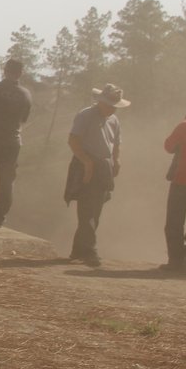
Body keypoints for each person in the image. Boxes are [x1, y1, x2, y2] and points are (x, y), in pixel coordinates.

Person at [65, 84, 127, 266]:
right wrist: (87, 162)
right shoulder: (85, 115)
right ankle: (89, 251)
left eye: (114, 106)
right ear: (100, 101)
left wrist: (116, 160)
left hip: (104, 166)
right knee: (87, 210)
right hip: (86, 164)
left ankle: (79, 250)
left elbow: (116, 143)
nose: (113, 109)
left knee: (95, 210)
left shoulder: (114, 119)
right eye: (110, 105)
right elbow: (73, 140)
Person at [0, 58, 32, 228]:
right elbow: (24, 119)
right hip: (12, 141)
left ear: (4, 70)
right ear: (20, 73)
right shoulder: (25, 94)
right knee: (7, 182)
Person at [162, 105, 186, 271]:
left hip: (180, 182)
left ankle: (175, 262)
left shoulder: (185, 125)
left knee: (174, 223)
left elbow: (168, 146)